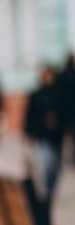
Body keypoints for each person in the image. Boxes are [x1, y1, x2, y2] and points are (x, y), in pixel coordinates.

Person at [24, 66, 67, 204]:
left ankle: (50, 191)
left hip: (57, 136)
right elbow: (30, 115)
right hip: (42, 136)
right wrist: (29, 132)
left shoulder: (60, 94)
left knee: (56, 167)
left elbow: (67, 113)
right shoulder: (37, 94)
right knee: (45, 165)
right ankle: (45, 193)